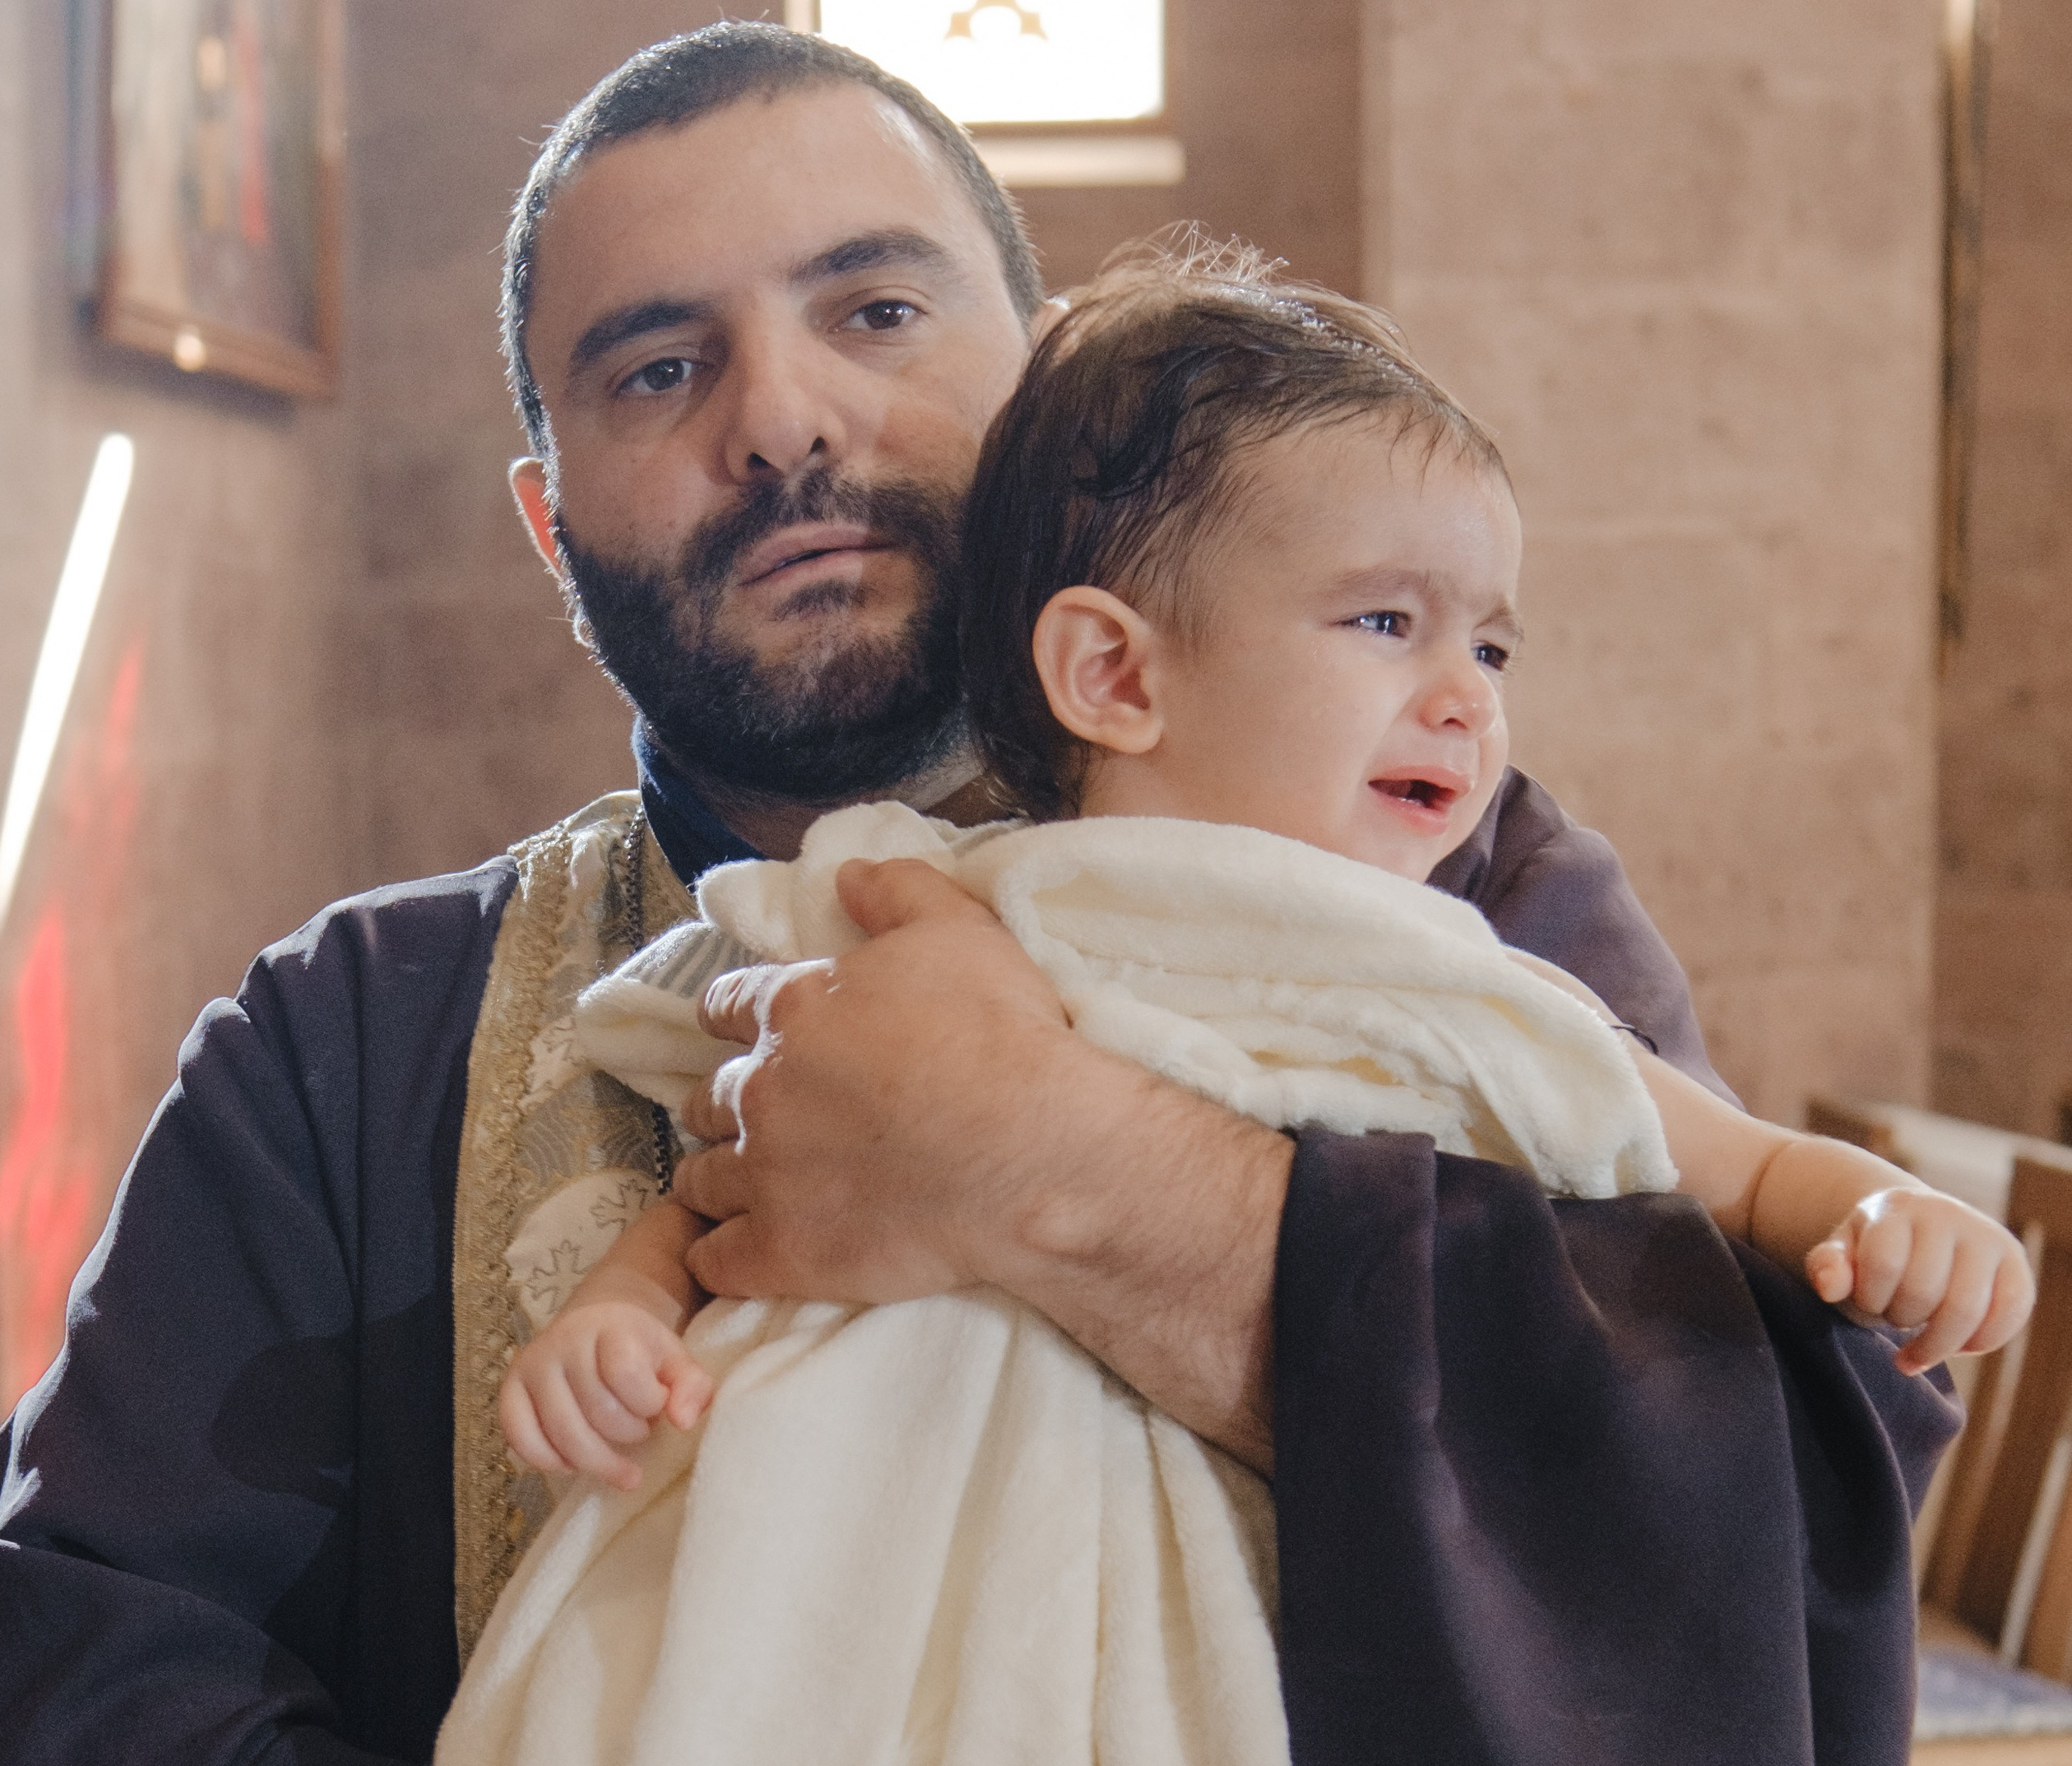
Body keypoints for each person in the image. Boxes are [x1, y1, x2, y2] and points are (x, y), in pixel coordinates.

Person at [0, 25, 1957, 1766]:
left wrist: (1066, 1174)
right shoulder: (347, 1045)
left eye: (879, 311)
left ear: (1043, 392)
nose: (782, 418)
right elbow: (69, 1739)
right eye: (659, 363)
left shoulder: (1466, 913)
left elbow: (1735, 1544)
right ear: (545, 505)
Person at [506, 252, 2028, 1487]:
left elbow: (1742, 1167)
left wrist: (1889, 1214)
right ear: (1113, 673)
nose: (1468, 694)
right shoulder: (951, 902)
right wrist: (627, 1306)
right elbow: (759, 1150)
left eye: (1489, 643)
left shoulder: (1445, 960)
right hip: (870, 1534)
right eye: (1387, 625)